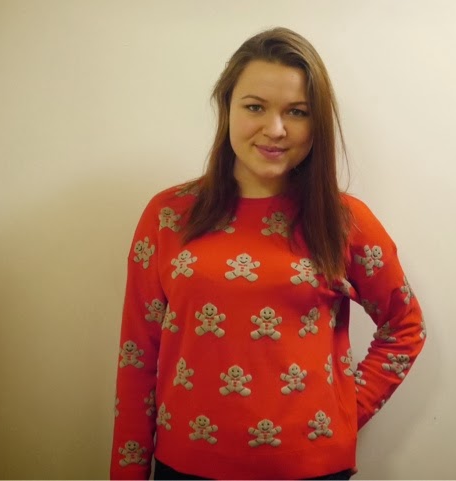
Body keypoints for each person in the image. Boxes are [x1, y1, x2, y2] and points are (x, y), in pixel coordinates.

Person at [110, 27, 426, 480]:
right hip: (186, 466)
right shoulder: (169, 215)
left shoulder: (343, 221)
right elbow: (137, 357)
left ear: (316, 123)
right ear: (227, 107)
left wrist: (343, 412)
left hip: (311, 469)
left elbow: (405, 325)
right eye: (255, 107)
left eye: (297, 112)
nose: (275, 130)